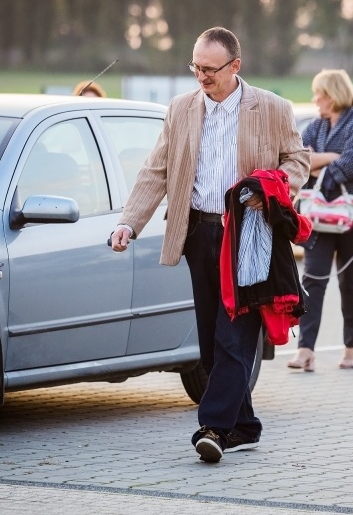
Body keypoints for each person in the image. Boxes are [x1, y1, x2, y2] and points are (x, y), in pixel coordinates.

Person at [110, 27, 309, 463]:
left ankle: (215, 427)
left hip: (249, 236)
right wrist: (130, 222)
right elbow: (156, 170)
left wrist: (271, 188)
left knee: (235, 337)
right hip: (199, 234)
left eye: (209, 69)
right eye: (195, 67)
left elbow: (298, 160)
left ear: (235, 66)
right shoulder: (180, 109)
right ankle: (245, 424)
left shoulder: (272, 108)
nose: (200, 76)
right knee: (209, 341)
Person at [287, 69, 353, 372]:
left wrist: (322, 161)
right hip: (318, 215)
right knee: (313, 279)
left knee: (350, 281)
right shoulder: (315, 126)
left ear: (334, 94)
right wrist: (332, 157)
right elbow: (301, 158)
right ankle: (305, 349)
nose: (315, 100)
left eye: (320, 94)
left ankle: (351, 349)